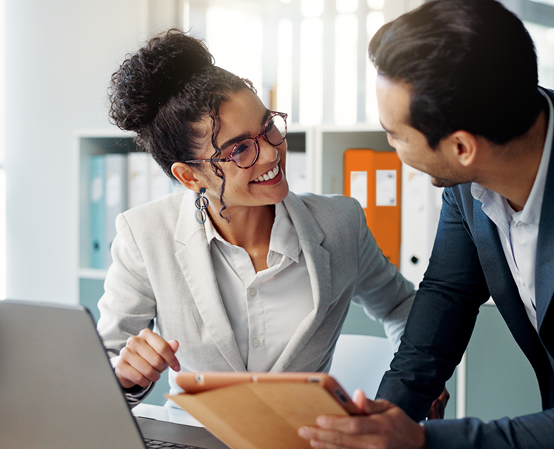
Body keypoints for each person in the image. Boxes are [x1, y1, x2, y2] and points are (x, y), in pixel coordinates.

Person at [298, 0, 554, 448]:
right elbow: (450, 292)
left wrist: (421, 443)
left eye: (395, 135)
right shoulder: (483, 157)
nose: (391, 145)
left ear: (462, 147)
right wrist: (383, 419)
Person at [97, 29, 417, 406]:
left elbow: (401, 306)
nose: (270, 154)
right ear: (189, 176)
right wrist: (127, 376)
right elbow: (104, 366)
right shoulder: (145, 234)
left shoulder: (340, 222)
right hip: (196, 441)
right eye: (240, 149)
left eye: (269, 128)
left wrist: (415, 383)